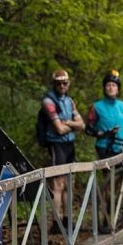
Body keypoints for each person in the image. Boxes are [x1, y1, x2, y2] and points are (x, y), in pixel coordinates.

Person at [42, 69, 85, 232]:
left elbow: (82, 124)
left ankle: (68, 221)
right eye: (58, 83)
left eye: (64, 83)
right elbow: (59, 129)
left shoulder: (69, 101)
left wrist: (69, 124)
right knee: (57, 185)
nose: (61, 85)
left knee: (69, 184)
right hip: (56, 145)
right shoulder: (48, 101)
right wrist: (72, 125)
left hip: (69, 145)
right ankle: (56, 222)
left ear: (68, 84)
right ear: (54, 84)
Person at [86, 70, 123, 159]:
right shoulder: (97, 106)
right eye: (108, 85)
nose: (111, 88)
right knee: (109, 173)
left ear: (118, 89)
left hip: (121, 146)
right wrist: (104, 134)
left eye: (114, 85)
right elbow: (88, 129)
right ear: (104, 88)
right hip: (104, 147)